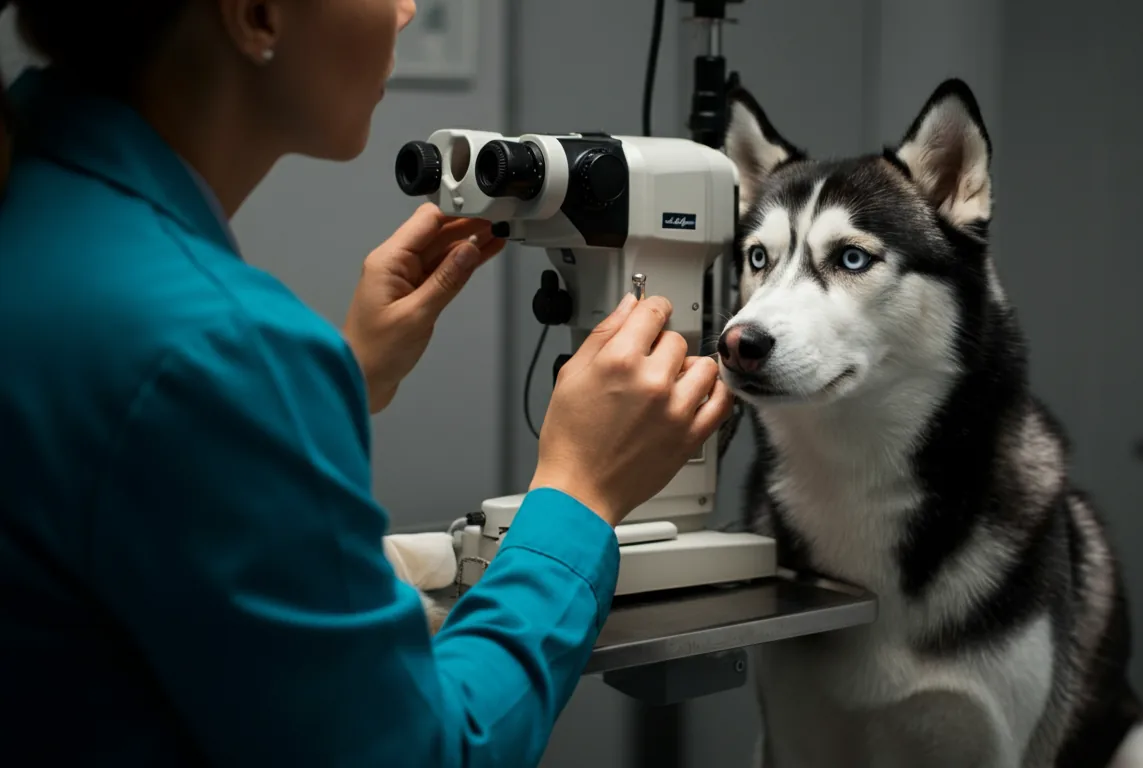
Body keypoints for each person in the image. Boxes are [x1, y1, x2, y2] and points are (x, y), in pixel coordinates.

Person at [0, 1, 734, 765]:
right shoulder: (212, 346)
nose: (409, 8)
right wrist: (580, 494)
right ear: (257, 16)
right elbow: (428, 753)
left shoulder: (41, 212)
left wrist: (344, 376)